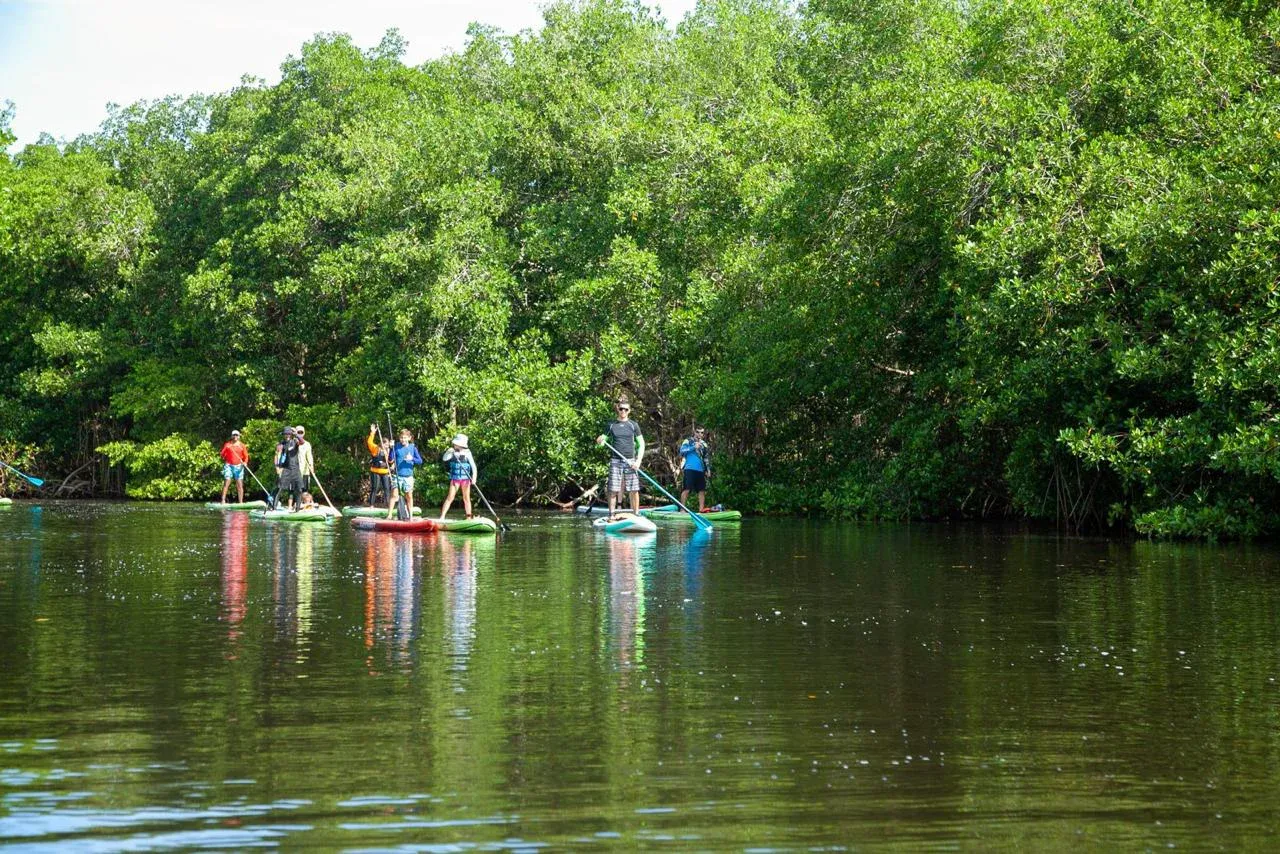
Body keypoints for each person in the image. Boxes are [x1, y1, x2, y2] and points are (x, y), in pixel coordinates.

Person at [596, 398, 644, 519]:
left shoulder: (634, 425)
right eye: (621, 408)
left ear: (629, 411)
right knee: (613, 489)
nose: (623, 411)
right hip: (615, 461)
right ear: (618, 409)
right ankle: (612, 515)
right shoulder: (611, 425)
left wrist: (638, 461)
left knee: (634, 490)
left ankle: (636, 514)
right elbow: (603, 441)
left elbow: (641, 444)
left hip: (631, 461)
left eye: (625, 409)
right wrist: (599, 440)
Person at [439, 434, 479, 519]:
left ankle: (468, 517)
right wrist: (448, 452)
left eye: (456, 444)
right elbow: (444, 459)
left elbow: (473, 467)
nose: (454, 445)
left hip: (465, 479)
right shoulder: (452, 451)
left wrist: (474, 477)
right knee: (450, 497)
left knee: (466, 498)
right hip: (455, 479)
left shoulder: (467, 453)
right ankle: (442, 517)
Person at [388, 428, 423, 519]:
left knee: (409, 496)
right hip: (398, 475)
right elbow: (390, 460)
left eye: (405, 438)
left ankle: (410, 516)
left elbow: (420, 461)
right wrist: (391, 448)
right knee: (394, 495)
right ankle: (389, 515)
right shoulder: (396, 446)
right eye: (401, 438)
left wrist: (412, 458)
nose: (403, 439)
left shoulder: (413, 447)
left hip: (408, 476)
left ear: (409, 438)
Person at [678, 426, 710, 512]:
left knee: (702, 491)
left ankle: (701, 510)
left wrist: (708, 470)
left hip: (700, 470)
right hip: (689, 469)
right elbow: (681, 451)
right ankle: (682, 509)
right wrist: (693, 447)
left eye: (701, 432)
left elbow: (706, 458)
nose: (699, 434)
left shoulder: (704, 444)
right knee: (687, 489)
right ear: (694, 432)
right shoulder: (688, 441)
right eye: (698, 432)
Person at [273, 426, 304, 511]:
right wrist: (277, 468)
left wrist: (296, 434)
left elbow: (302, 441)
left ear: (291, 434)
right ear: (284, 435)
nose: (287, 435)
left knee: (299, 490)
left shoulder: (295, 441)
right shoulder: (281, 444)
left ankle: (297, 509)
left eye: (288, 433)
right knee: (280, 488)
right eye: (286, 434)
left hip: (296, 469)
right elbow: (277, 455)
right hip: (286, 469)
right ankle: (274, 508)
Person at [219, 429, 250, 504]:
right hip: (229, 465)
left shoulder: (242, 446)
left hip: (239, 466)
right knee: (227, 482)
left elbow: (246, 457)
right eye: (234, 435)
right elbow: (222, 454)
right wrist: (226, 449)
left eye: (237, 435)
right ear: (232, 436)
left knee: (239, 484)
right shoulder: (228, 444)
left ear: (239, 436)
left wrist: (245, 462)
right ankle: (223, 501)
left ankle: (240, 502)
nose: (235, 436)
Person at [366, 424, 392, 509]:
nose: (387, 446)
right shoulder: (376, 449)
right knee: (375, 488)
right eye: (386, 444)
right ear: (382, 444)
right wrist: (372, 433)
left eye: (388, 445)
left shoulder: (389, 451)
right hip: (375, 471)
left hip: (385, 472)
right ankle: (371, 505)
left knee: (387, 489)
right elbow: (369, 442)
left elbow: (391, 460)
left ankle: (388, 506)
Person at [295, 425, 314, 492]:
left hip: (305, 471)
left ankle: (305, 501)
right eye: (298, 432)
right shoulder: (293, 442)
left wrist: (311, 466)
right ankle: (297, 502)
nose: (300, 434)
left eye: (301, 432)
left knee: (305, 489)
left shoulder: (307, 444)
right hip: (295, 470)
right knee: (296, 490)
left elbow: (309, 457)